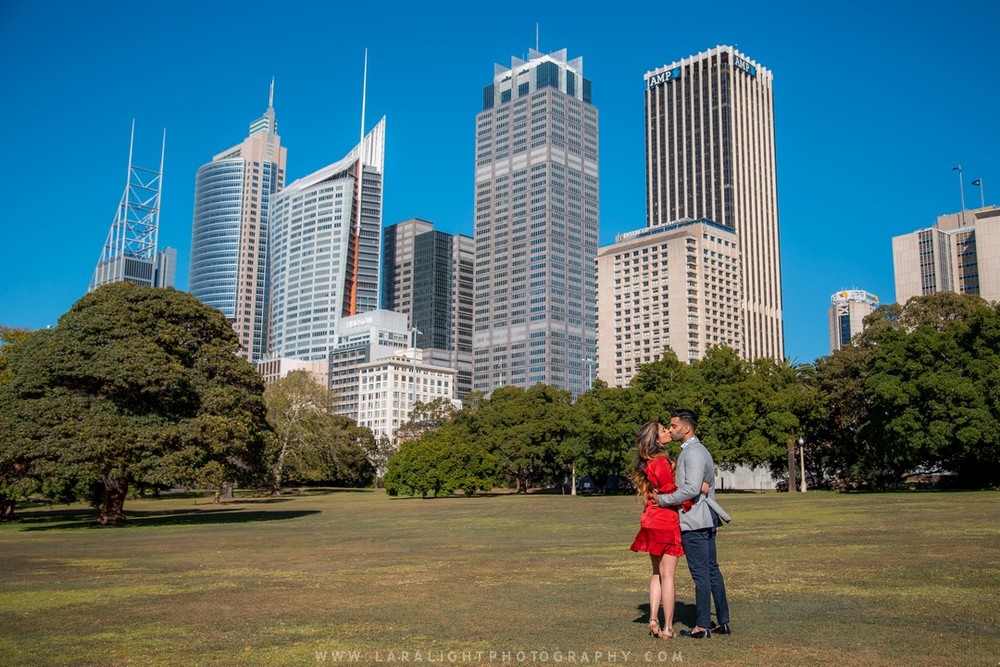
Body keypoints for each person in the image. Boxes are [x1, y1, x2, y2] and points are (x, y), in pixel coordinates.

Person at [655, 409, 731, 639]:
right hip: (704, 519)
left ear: (686, 428)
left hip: (696, 521)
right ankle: (723, 622)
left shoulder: (693, 453)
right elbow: (696, 486)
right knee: (712, 571)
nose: (671, 429)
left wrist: (662, 500)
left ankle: (702, 625)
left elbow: (690, 489)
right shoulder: (698, 450)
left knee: (702, 574)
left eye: (674, 426)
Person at [629, 420, 707, 638]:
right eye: (664, 431)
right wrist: (694, 491)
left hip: (651, 519)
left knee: (656, 573)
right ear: (655, 439)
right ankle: (668, 627)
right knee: (668, 576)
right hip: (665, 520)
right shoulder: (660, 462)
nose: (668, 432)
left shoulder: (647, 462)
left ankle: (653, 618)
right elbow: (670, 490)